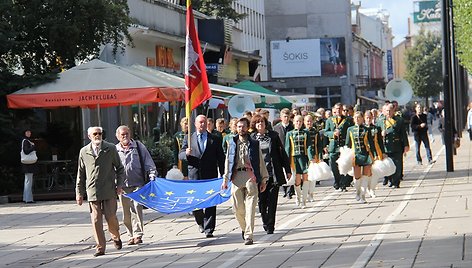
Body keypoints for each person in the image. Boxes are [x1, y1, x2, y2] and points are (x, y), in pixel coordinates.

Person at [76, 126, 125, 257]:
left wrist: (119, 185)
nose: (97, 136)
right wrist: (79, 193)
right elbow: (80, 174)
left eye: (100, 133)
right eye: (95, 134)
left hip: (109, 190)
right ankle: (100, 247)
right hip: (93, 190)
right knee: (96, 219)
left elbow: (120, 168)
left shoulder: (110, 148)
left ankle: (116, 236)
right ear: (89, 136)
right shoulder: (84, 151)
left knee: (111, 217)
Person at [221, 117, 269, 245]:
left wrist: (263, 179)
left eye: (243, 126)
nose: (241, 129)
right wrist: (225, 179)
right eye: (238, 126)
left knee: (250, 208)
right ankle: (244, 228)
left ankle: (249, 235)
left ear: (247, 127)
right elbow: (228, 161)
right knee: (237, 209)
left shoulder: (254, 143)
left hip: (250, 176)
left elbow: (260, 162)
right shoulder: (232, 142)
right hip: (236, 176)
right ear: (236, 128)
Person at [179, 115, 225, 238]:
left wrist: (224, 175)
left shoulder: (214, 139)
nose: (202, 125)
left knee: (210, 202)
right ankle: (200, 221)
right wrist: (186, 154)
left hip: (210, 175)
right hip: (194, 176)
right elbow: (180, 155)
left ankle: (209, 228)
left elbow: (220, 158)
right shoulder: (189, 138)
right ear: (195, 124)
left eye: (204, 122)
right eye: (200, 122)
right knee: (196, 203)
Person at [115, 125, 157, 246]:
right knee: (126, 212)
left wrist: (152, 174)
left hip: (138, 183)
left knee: (137, 207)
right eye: (122, 135)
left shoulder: (138, 146)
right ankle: (130, 234)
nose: (125, 136)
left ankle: (138, 234)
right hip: (123, 186)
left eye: (127, 134)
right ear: (118, 136)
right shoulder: (115, 150)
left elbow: (149, 162)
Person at [250, 114, 291, 234]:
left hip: (272, 172)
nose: (260, 125)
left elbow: (281, 153)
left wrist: (287, 169)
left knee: (272, 200)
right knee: (262, 201)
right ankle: (265, 220)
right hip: (259, 175)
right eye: (257, 123)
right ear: (255, 125)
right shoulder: (252, 138)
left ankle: (271, 225)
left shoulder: (273, 136)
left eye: (262, 122)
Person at [377, 104, 409, 188]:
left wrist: (406, 145)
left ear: (393, 111)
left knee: (397, 165)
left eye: (390, 110)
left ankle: (396, 182)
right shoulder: (380, 121)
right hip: (386, 147)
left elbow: (403, 134)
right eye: (387, 111)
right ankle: (390, 179)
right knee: (388, 165)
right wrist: (381, 134)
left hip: (397, 146)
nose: (388, 112)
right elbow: (375, 135)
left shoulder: (399, 120)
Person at [346, 112, 375, 203]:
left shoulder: (366, 129)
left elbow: (371, 143)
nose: (357, 119)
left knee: (365, 176)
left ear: (362, 119)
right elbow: (348, 144)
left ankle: (363, 196)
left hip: (366, 155)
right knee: (357, 176)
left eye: (359, 117)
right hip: (356, 155)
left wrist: (375, 155)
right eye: (355, 117)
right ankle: (358, 192)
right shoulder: (350, 129)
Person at [324, 103, 354, 191]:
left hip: (343, 145)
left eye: (340, 109)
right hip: (333, 146)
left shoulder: (348, 120)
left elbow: (350, 132)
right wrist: (332, 134)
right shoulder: (330, 120)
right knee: (333, 165)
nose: (338, 110)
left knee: (343, 165)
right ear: (334, 109)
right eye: (337, 109)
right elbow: (326, 132)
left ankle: (342, 183)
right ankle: (337, 180)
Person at [286, 115, 313, 208]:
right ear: (293, 122)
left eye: (300, 122)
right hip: (294, 159)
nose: (298, 123)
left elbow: (309, 146)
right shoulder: (289, 134)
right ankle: (298, 197)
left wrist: (311, 158)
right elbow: (287, 148)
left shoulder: (306, 133)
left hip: (304, 158)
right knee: (297, 180)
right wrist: (286, 161)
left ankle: (304, 201)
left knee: (306, 179)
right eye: (297, 121)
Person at [273, 108, 294, 198]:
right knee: (282, 171)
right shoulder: (276, 128)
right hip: (280, 152)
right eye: (284, 116)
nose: (286, 118)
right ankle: (285, 189)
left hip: (291, 152)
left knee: (291, 170)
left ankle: (290, 190)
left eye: (287, 116)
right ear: (281, 117)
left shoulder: (292, 127)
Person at [364, 111, 384, 198]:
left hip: (375, 152)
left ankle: (372, 189)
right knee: (365, 173)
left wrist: (383, 152)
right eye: (367, 118)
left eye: (370, 118)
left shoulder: (376, 128)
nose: (368, 119)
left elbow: (380, 141)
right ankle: (366, 188)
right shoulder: (361, 128)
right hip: (364, 152)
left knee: (374, 173)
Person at [304, 114, 324, 200]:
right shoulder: (303, 132)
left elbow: (319, 145)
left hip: (314, 155)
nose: (309, 123)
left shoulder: (316, 132)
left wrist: (320, 156)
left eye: (310, 121)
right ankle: (305, 192)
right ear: (304, 122)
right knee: (306, 176)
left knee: (313, 176)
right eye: (307, 121)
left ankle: (311, 193)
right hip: (305, 156)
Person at [21, 129, 37, 204]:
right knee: (28, 181)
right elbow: (26, 151)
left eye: (30, 132)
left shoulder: (25, 141)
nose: (29, 133)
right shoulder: (26, 141)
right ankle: (28, 199)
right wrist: (33, 147)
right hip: (28, 165)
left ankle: (26, 198)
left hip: (27, 164)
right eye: (27, 132)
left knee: (27, 181)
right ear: (25, 133)